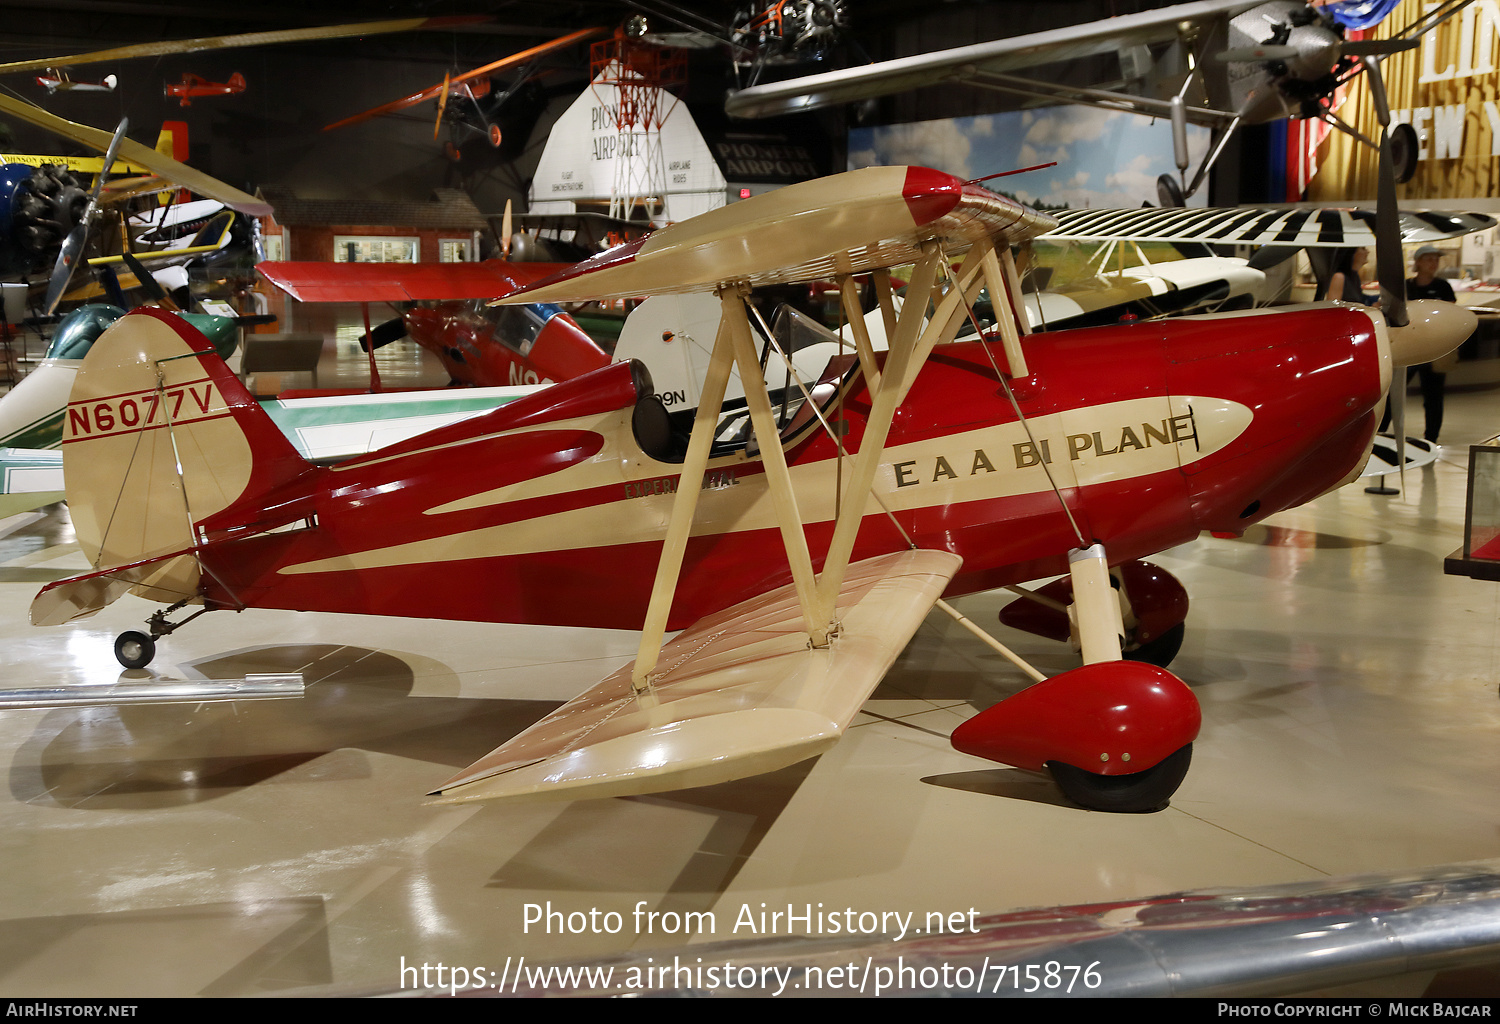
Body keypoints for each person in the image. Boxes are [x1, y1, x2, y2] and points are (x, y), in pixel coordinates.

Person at [1380, 246, 1458, 442]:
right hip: (1409, 348)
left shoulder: (1443, 287)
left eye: (1436, 259)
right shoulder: (1406, 286)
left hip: (1434, 349)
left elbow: (1451, 315)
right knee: (1393, 394)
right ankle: (1381, 433)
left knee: (1433, 397)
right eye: (1429, 259)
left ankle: (1432, 439)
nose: (1434, 263)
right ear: (1419, 262)